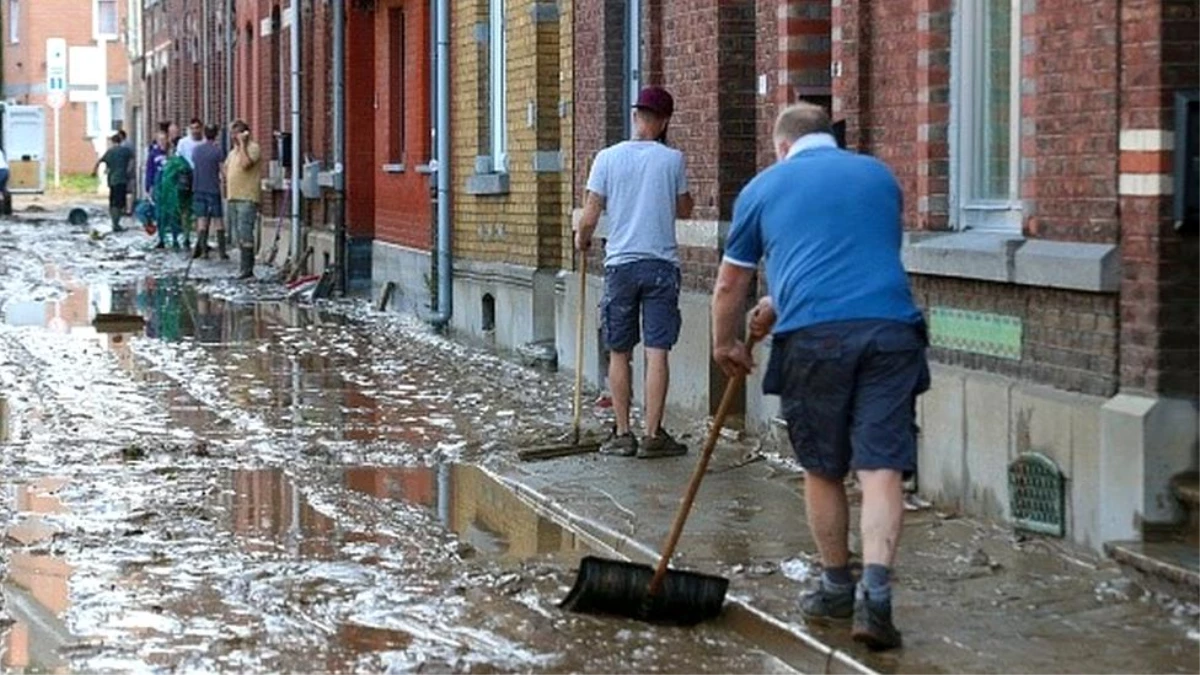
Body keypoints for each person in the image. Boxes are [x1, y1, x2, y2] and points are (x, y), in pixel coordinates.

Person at [711, 102, 929, 651]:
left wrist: (726, 343)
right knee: (881, 467)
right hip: (892, 332)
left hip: (816, 342)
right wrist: (779, 300)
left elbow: (728, 285)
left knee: (824, 467)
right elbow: (847, 260)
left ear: (782, 146)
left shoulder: (765, 187)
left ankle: (836, 586)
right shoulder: (879, 177)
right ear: (830, 140)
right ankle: (876, 597)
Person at [574, 86, 694, 459]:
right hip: (660, 266)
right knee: (657, 351)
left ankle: (623, 433)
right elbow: (685, 210)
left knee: (619, 351)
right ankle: (653, 435)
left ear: (635, 117)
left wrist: (582, 239)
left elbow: (590, 216)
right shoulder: (673, 160)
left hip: (620, 266)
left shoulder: (606, 159)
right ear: (664, 122)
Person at [224, 119, 262, 279]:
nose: (234, 136)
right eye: (232, 133)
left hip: (247, 197)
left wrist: (243, 145)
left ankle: (247, 269)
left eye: (237, 133)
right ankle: (242, 266)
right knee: (237, 233)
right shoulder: (233, 152)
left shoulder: (252, 148)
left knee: (246, 232)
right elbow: (226, 168)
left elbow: (246, 164)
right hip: (233, 197)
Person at [191, 124, 228, 260]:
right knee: (218, 220)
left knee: (202, 220)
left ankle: (204, 251)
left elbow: (195, 164)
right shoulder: (218, 151)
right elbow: (223, 171)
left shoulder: (196, 150)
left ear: (205, 134)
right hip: (213, 189)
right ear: (216, 134)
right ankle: (222, 252)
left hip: (198, 188)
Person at [154, 139, 192, 251]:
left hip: (170, 195)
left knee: (169, 217)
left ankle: (168, 240)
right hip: (180, 193)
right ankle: (184, 239)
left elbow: (163, 179)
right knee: (183, 216)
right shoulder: (184, 163)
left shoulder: (173, 163)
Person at [93, 133, 135, 233]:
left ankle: (114, 222)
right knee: (120, 203)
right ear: (121, 141)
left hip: (112, 180)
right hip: (122, 179)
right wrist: (129, 170)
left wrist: (94, 171)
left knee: (113, 202)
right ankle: (116, 223)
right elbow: (132, 159)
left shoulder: (110, 152)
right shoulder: (125, 151)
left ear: (112, 142)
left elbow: (100, 161)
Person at [145, 131, 169, 247]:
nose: (162, 142)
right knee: (159, 213)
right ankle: (161, 237)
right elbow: (149, 171)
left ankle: (174, 237)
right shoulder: (153, 154)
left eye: (164, 139)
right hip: (159, 186)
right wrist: (148, 187)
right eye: (160, 140)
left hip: (170, 187)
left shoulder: (171, 152)